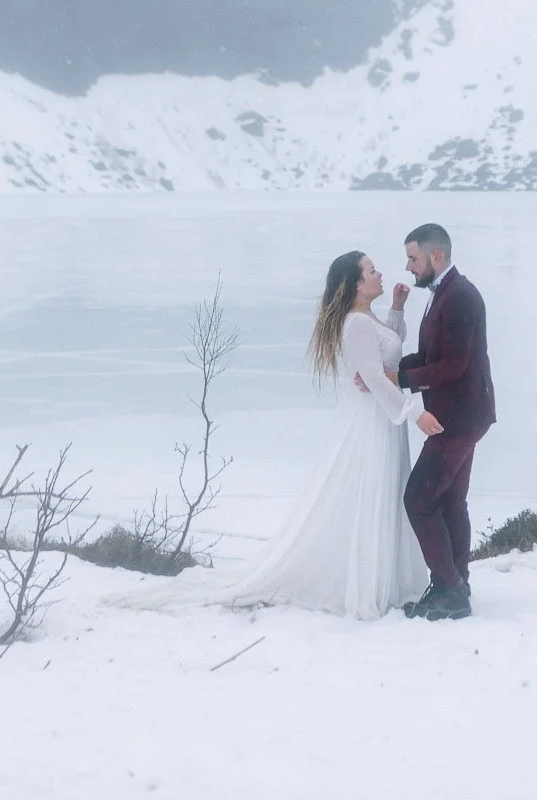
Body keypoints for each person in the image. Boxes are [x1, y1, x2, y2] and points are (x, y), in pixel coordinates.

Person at [108, 250, 432, 619]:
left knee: (383, 493)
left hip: (381, 419)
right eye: (372, 271)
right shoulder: (356, 323)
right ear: (356, 284)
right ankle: (365, 582)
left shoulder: (366, 316)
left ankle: (382, 577)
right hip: (372, 423)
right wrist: (413, 414)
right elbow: (375, 377)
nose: (380, 274)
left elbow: (387, 352)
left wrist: (397, 309)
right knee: (369, 494)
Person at [391, 222, 495, 622]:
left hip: (460, 417)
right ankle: (458, 585)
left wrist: (398, 379)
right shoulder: (444, 294)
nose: (408, 267)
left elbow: (453, 366)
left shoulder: (461, 297)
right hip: (462, 413)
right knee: (450, 499)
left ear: (436, 256)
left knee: (418, 498)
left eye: (413, 258)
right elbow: (432, 355)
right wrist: (394, 367)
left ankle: (450, 587)